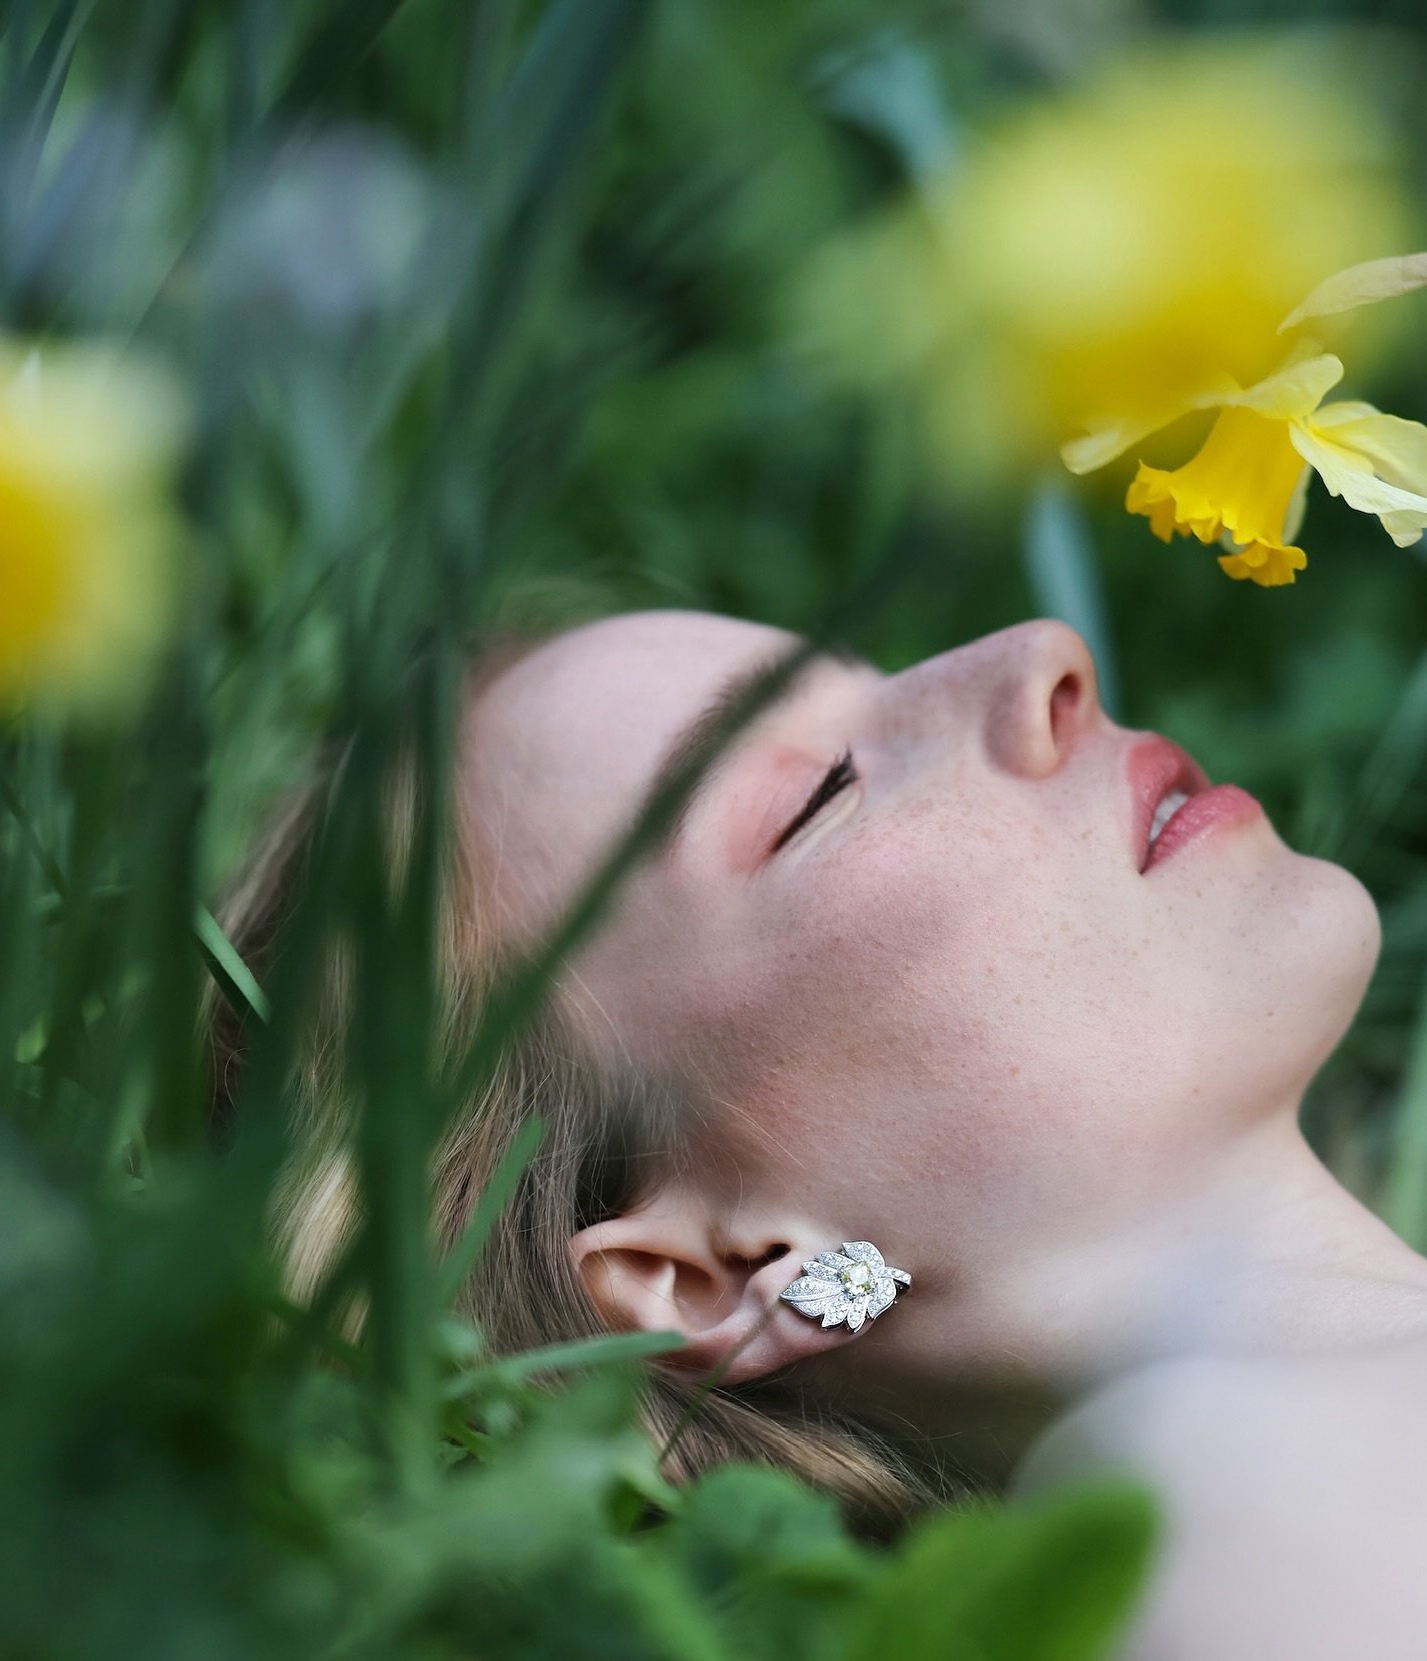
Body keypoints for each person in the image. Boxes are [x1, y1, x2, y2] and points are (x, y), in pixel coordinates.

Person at [219, 608, 1427, 1656]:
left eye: (881, 671)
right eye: (822, 792)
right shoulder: (1222, 1492)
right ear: (712, 1275)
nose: (1038, 655)